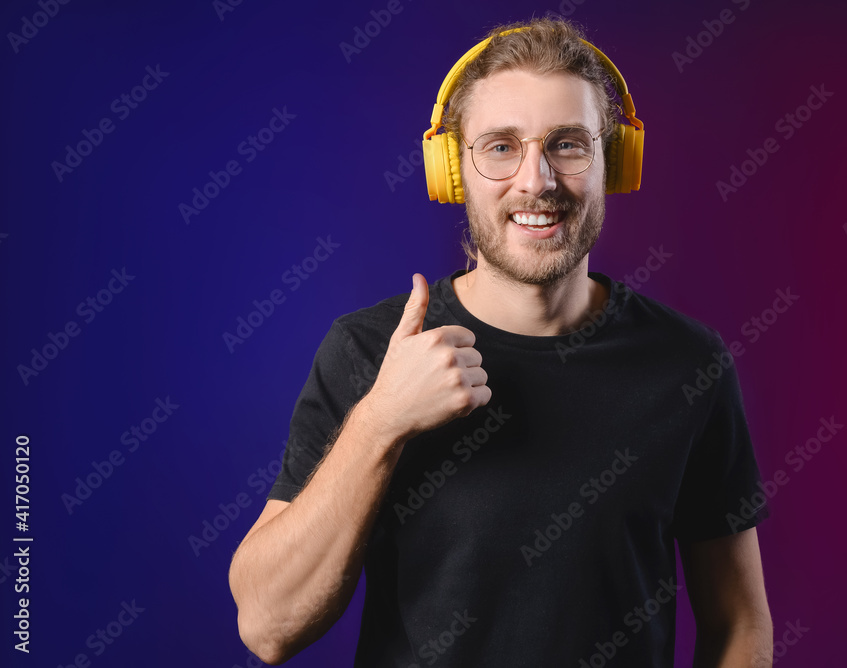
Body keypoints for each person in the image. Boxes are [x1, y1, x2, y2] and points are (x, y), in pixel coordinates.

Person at [228, 16, 772, 667]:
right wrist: (379, 423)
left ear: (614, 163)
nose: (536, 180)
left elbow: (739, 623)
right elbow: (267, 625)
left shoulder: (687, 364)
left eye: (568, 145)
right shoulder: (368, 351)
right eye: (500, 146)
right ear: (452, 170)